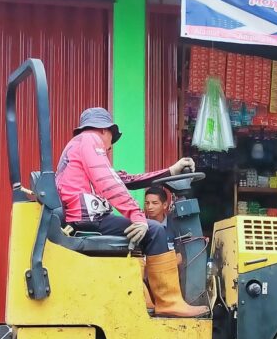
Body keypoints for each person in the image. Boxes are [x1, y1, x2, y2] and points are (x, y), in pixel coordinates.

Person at [56, 107, 207, 318]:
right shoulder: (90, 140)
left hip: (84, 219)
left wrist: (170, 171)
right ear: (105, 131)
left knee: (143, 231)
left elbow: (123, 180)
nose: (109, 148)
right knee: (154, 230)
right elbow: (109, 183)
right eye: (111, 140)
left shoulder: (79, 147)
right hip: (87, 222)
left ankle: (144, 298)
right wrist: (137, 216)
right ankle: (168, 301)